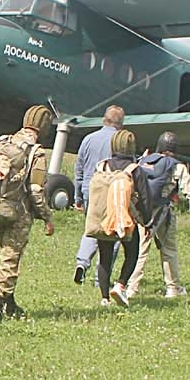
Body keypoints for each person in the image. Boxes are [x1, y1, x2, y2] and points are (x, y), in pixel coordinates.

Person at [0, 105, 57, 321]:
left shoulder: (2, 142)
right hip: (17, 213)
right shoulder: (36, 152)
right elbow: (35, 191)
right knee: (10, 258)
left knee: (7, 254)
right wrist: (47, 217)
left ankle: (10, 303)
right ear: (43, 127)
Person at [125, 131, 190, 299]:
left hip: (142, 212)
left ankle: (132, 288)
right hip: (164, 212)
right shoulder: (177, 166)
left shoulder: (144, 160)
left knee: (141, 250)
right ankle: (172, 288)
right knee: (169, 249)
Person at [86, 128, 151, 307]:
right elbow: (144, 199)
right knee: (132, 253)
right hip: (126, 219)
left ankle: (104, 298)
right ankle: (121, 285)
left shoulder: (102, 166)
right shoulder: (135, 170)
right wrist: (147, 221)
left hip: (104, 218)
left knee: (105, 258)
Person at [71, 104, 125, 284]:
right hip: (111, 192)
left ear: (104, 120)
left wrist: (78, 197)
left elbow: (79, 169)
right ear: (121, 124)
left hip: (89, 190)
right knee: (112, 235)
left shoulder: (88, 139)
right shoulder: (119, 142)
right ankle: (100, 277)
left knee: (91, 229)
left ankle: (82, 263)